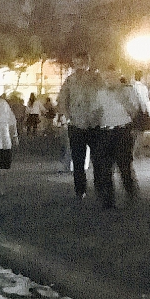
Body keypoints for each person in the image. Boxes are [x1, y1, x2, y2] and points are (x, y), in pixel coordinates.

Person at [92, 68, 141, 208]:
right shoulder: (100, 93)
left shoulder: (128, 90)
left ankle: (131, 193)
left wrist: (123, 99)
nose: (109, 80)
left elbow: (135, 112)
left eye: (112, 77)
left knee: (124, 166)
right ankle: (108, 200)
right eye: (106, 78)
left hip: (122, 131)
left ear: (118, 77)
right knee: (105, 167)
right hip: (105, 131)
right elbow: (96, 113)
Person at [56, 52, 103, 199]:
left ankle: (100, 187)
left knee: (98, 159)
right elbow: (62, 99)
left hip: (94, 124)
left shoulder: (97, 79)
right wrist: (67, 116)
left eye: (81, 63)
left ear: (87, 63)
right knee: (77, 160)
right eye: (76, 63)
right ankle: (80, 190)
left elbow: (104, 98)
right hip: (76, 125)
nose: (78, 67)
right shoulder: (70, 80)